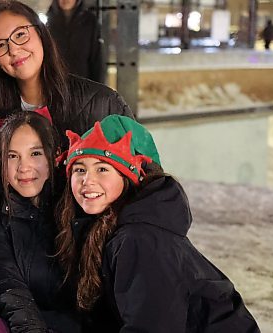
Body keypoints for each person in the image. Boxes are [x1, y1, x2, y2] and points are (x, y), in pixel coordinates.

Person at [56, 114, 261, 332]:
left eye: (102, 169)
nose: (88, 180)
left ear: (129, 178)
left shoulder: (140, 239)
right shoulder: (103, 229)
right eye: (80, 169)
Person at [0, 0, 133, 149]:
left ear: (41, 33)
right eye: (0, 45)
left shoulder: (103, 105)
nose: (13, 50)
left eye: (20, 34)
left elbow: (146, 172)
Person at [0, 111, 80, 332]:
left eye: (35, 153)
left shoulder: (80, 203)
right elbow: (9, 289)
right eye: (12, 156)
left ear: (55, 154)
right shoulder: (0, 218)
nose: (24, 167)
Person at [46, 0, 104, 83]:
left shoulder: (89, 21)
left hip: (84, 83)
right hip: (56, 82)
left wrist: (98, 87)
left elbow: (96, 57)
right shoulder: (48, 21)